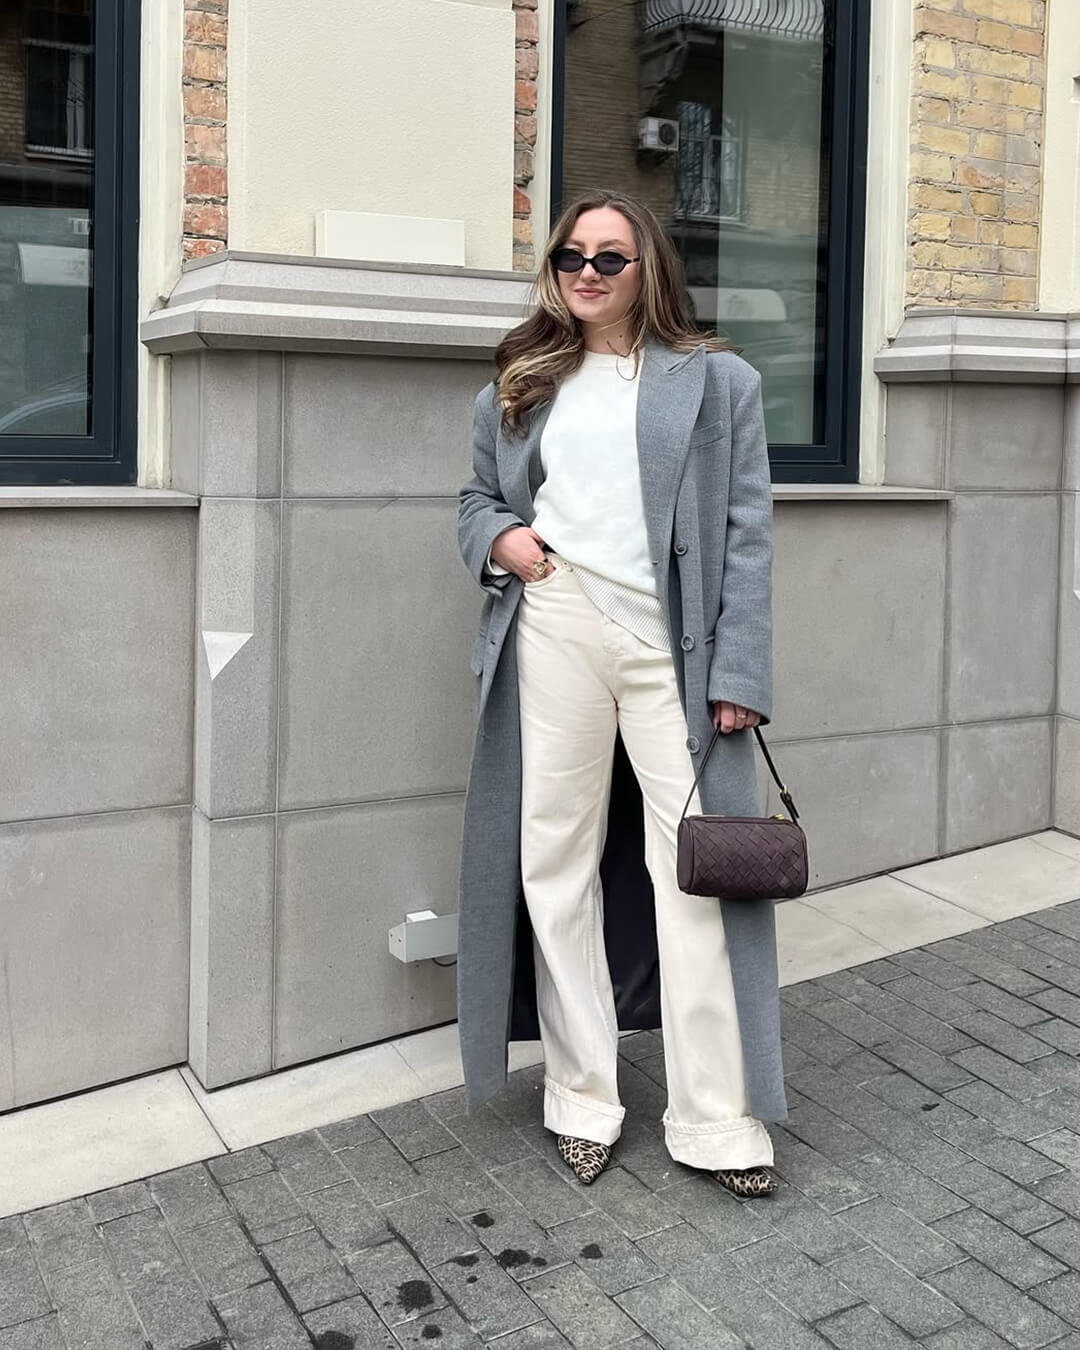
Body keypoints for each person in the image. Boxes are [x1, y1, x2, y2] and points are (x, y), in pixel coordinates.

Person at [456, 188, 785, 1198]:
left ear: (649, 269)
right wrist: (502, 540)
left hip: (669, 648)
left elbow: (747, 531)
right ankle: (580, 1097)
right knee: (553, 859)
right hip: (554, 623)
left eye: (610, 257)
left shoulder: (717, 380)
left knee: (693, 870)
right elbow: (476, 499)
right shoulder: (521, 381)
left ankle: (716, 1118)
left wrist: (738, 671)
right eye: (571, 256)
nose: (587, 274)